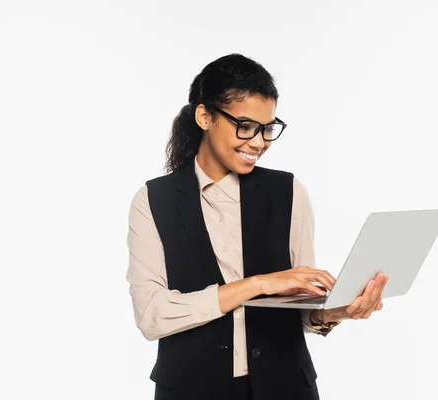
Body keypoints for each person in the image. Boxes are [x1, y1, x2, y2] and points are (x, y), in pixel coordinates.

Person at [126, 53, 388, 400]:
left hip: (287, 388)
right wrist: (258, 284)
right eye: (245, 126)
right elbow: (151, 315)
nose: (259, 142)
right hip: (191, 390)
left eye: (267, 129)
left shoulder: (289, 192)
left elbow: (299, 306)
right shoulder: (153, 200)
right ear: (204, 116)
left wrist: (331, 313)